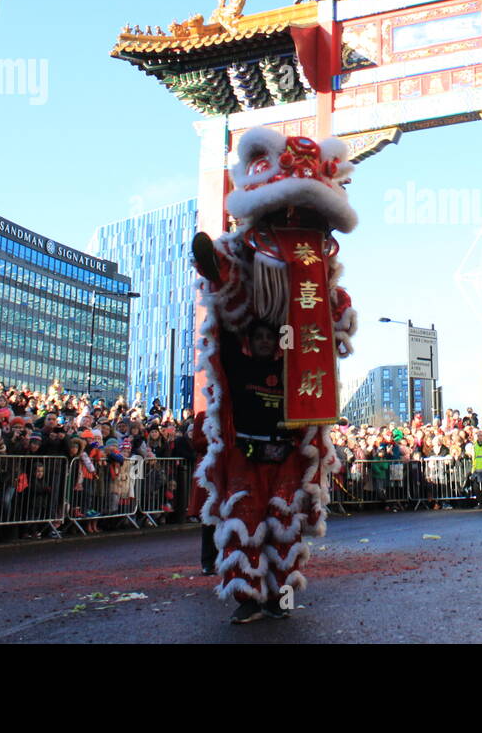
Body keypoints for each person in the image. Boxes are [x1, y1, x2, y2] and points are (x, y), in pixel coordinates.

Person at [190, 128, 357, 625]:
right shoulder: (242, 257)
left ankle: (280, 589)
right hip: (247, 405)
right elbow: (229, 293)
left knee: (288, 502)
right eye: (284, 214)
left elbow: (335, 317)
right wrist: (218, 271)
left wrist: (337, 311)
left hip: (294, 407)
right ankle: (246, 590)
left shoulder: (318, 271)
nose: (293, 225)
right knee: (247, 500)